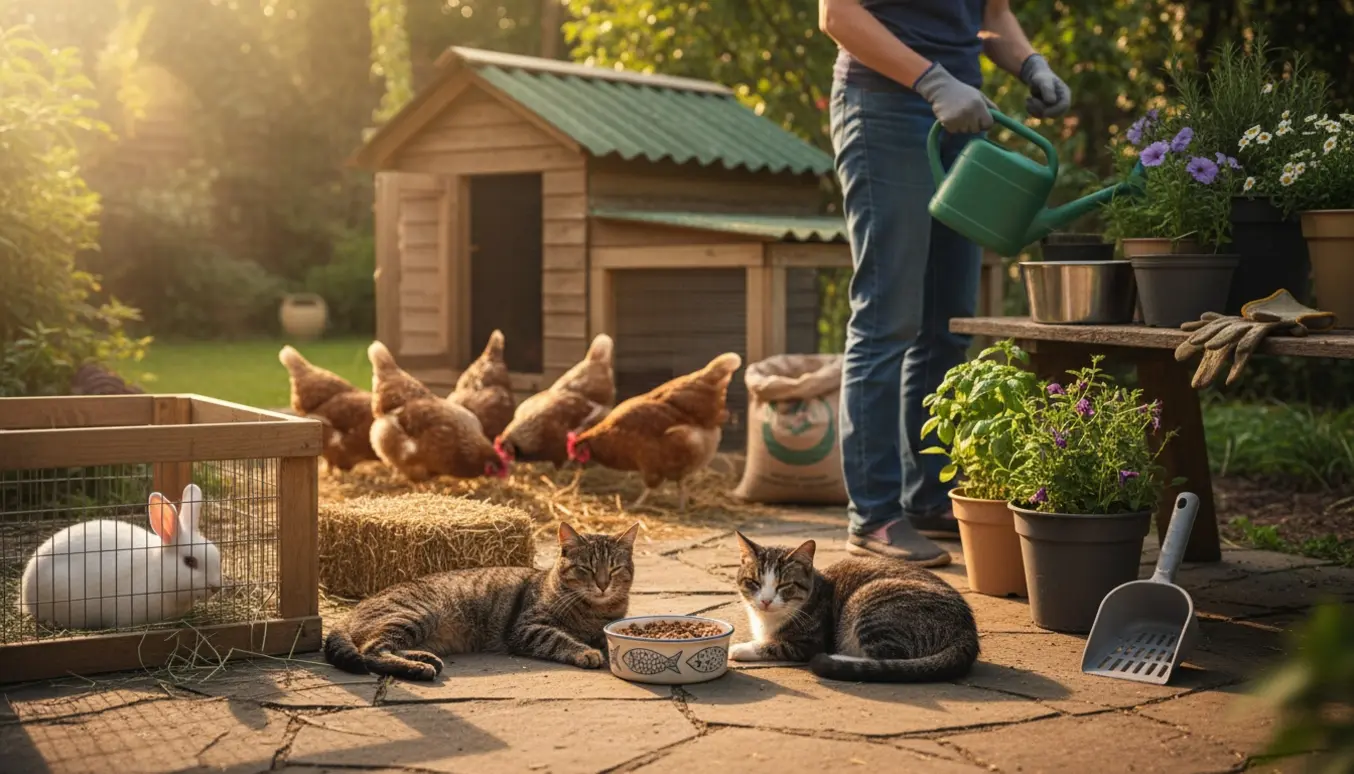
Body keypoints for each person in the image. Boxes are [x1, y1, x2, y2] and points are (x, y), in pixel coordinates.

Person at [820, 0, 1070, 566]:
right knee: (888, 318)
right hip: (883, 107)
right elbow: (836, 15)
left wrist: (1033, 65)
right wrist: (931, 80)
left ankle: (929, 497)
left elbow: (992, 16)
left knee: (948, 325)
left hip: (966, 114)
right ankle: (876, 516)